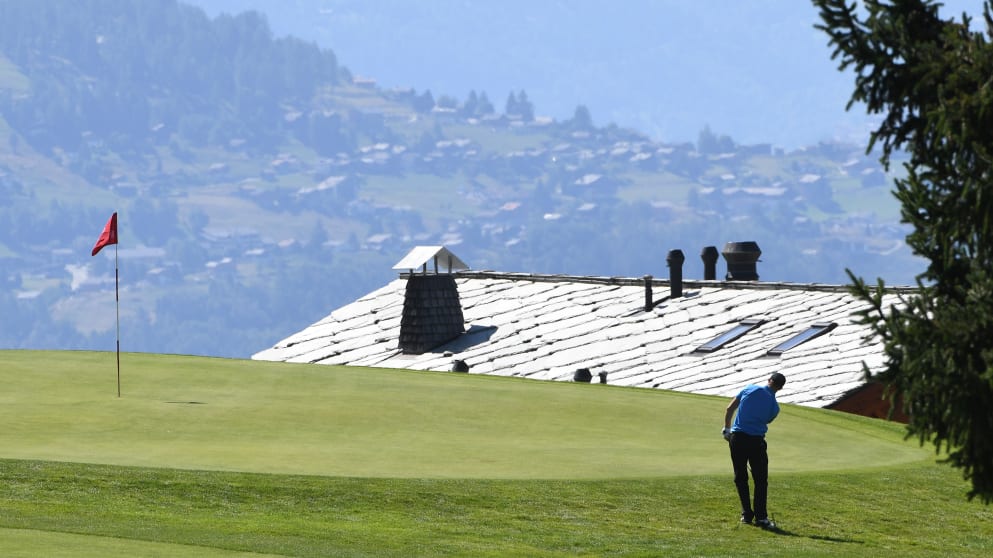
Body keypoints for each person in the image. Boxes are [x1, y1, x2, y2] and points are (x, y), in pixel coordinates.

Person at [722, 372, 786, 529]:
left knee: (740, 476)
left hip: (737, 438)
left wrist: (726, 429)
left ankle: (746, 514)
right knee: (760, 480)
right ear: (780, 388)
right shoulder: (775, 407)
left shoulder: (749, 388)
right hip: (756, 442)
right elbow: (767, 420)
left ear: (769, 380)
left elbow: (729, 408)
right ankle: (761, 517)